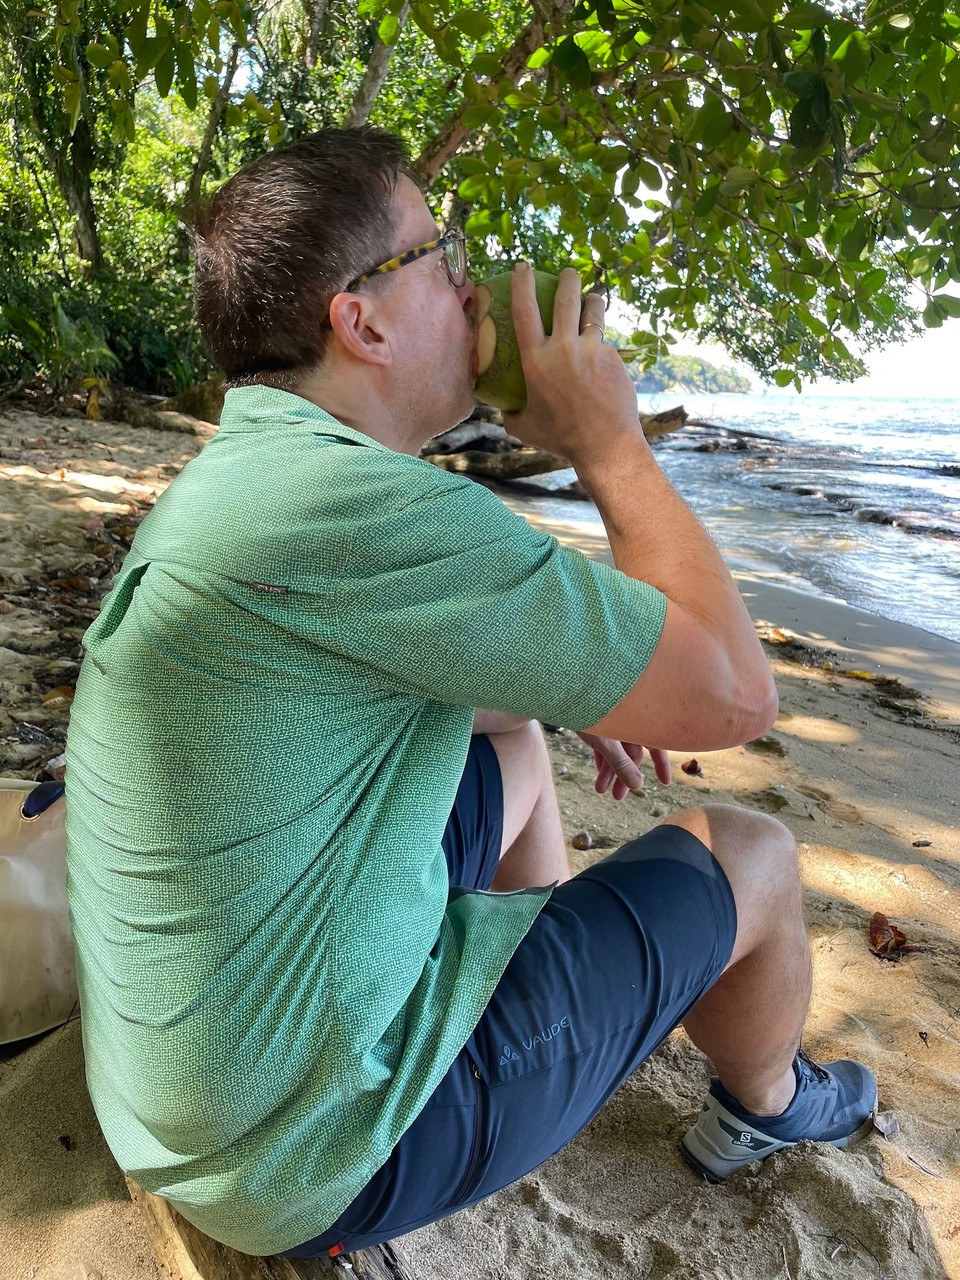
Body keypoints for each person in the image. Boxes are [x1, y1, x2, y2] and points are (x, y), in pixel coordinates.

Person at [63, 126, 877, 1260]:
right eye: (440, 256)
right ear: (363, 318)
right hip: (313, 1146)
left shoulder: (256, 474)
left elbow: (427, 696)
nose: (470, 280)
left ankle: (547, 1004)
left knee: (512, 751)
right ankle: (768, 1101)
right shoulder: (370, 513)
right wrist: (612, 444)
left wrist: (558, 688)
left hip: (189, 1099)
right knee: (756, 856)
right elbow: (736, 694)